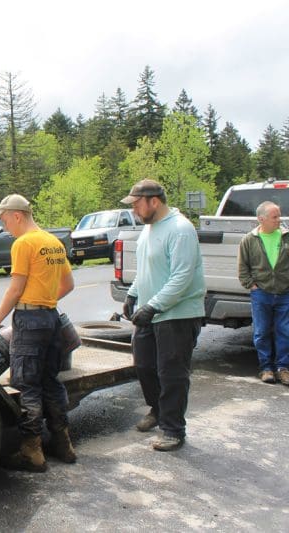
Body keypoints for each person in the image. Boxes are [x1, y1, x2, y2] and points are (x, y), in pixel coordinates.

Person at [0, 194, 75, 472]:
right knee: (50, 380)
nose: (4, 226)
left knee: (27, 384)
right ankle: (63, 444)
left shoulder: (23, 244)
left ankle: (32, 451)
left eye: (4, 219)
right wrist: (44, 301)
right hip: (52, 319)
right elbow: (68, 284)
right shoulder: (53, 242)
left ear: (17, 216)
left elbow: (15, 289)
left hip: (30, 322)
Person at [120, 179, 205, 452]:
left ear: (153, 201)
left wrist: (153, 306)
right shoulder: (149, 229)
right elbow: (146, 268)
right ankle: (158, 410)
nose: (134, 210)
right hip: (152, 312)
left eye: (136, 204)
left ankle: (173, 429)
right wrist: (133, 293)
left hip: (177, 315)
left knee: (172, 373)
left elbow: (181, 277)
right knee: (144, 365)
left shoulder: (180, 229)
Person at [237, 201, 289, 385]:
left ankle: (283, 369)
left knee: (285, 331)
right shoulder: (249, 240)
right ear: (262, 219)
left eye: (279, 215)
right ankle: (266, 368)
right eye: (275, 217)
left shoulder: (286, 236)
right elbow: (243, 267)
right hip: (261, 293)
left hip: (285, 293)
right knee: (261, 332)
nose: (279, 220)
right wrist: (250, 285)